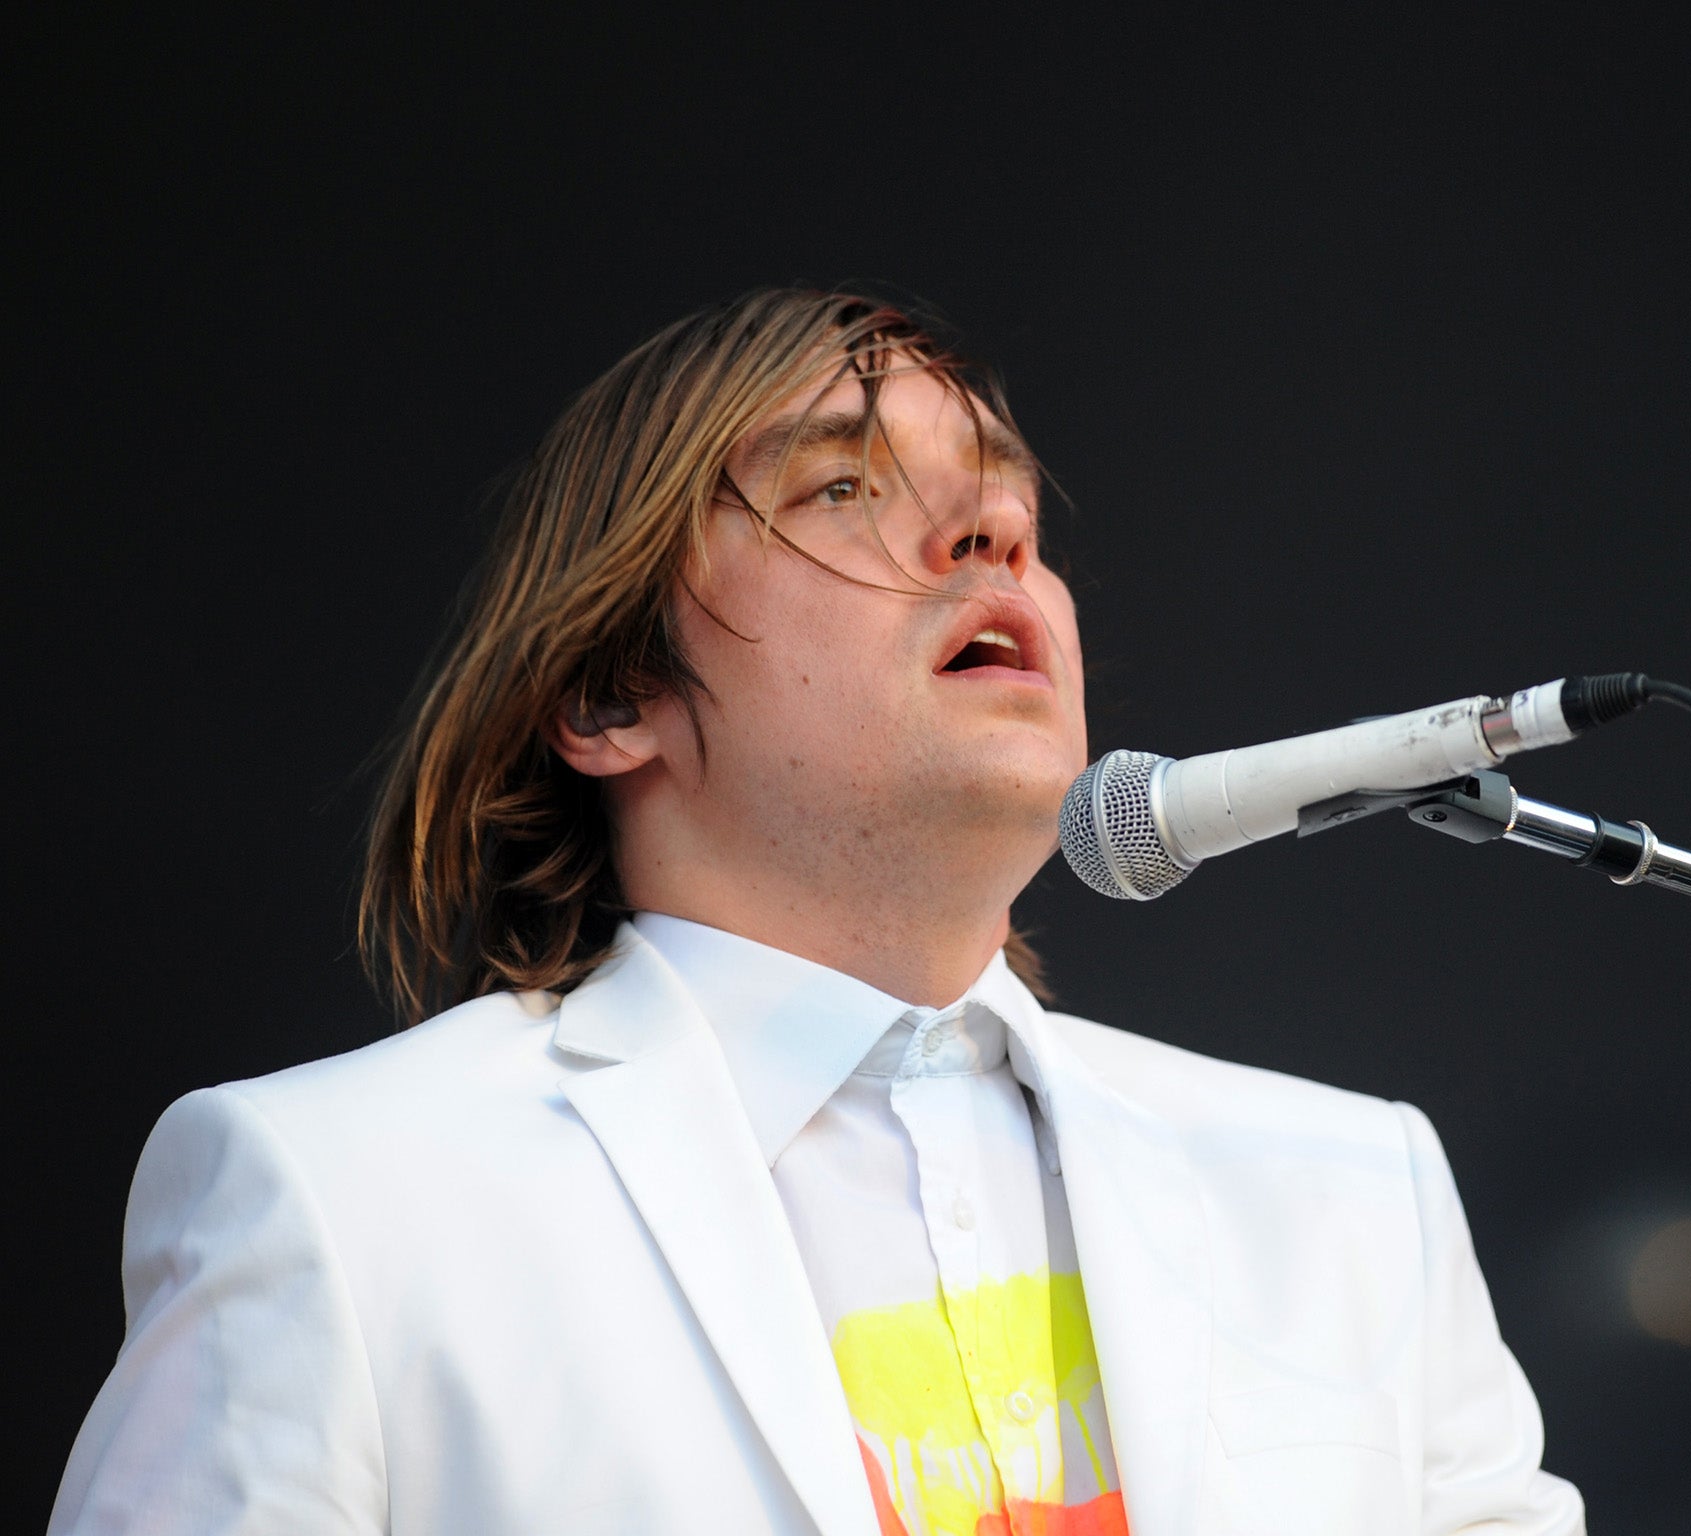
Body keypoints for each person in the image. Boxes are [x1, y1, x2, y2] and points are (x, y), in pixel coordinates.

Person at [51, 289, 1585, 1535]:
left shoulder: (1345, 1189)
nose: (988, 537)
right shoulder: (343, 1197)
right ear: (606, 691)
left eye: (1008, 515)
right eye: (844, 485)